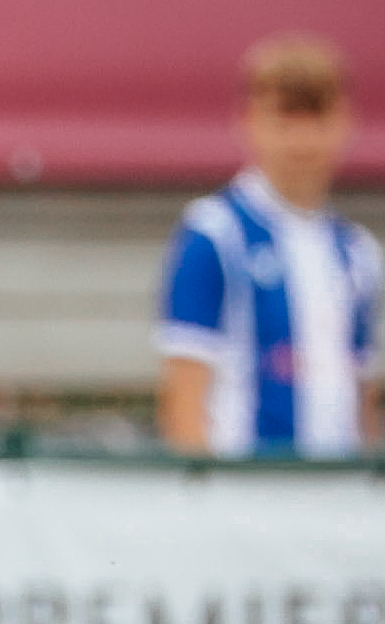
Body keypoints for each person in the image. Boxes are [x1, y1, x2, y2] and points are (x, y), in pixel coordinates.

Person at [158, 37, 376, 457]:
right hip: (244, 503)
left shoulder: (358, 253)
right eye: (285, 120)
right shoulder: (215, 234)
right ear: (249, 121)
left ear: (346, 123)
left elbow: (360, 403)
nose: (303, 140)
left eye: (318, 119)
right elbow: (184, 400)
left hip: (336, 505)